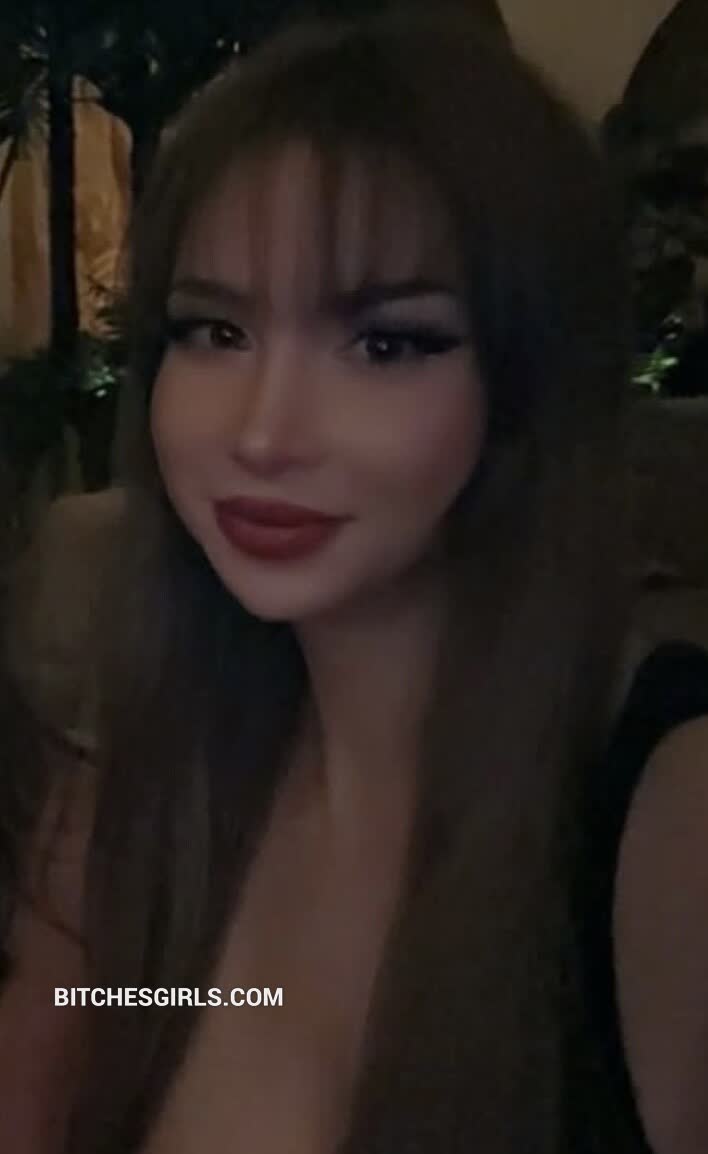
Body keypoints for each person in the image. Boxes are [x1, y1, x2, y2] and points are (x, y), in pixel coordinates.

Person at [2, 6, 708, 1153]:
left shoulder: (669, 819)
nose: (263, 433)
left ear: (528, 382)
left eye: (385, 344)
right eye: (213, 332)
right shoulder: (137, 791)